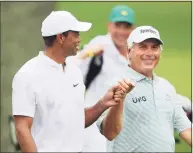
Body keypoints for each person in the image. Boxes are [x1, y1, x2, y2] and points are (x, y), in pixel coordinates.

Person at [11, 10, 134, 152]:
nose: (79, 39)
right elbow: (22, 129)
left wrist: (103, 104)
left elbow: (77, 119)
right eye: (76, 34)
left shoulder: (73, 71)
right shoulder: (28, 74)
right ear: (61, 37)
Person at [96, 25, 192, 152]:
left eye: (155, 47)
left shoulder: (166, 86)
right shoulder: (114, 84)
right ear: (129, 52)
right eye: (142, 47)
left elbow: (185, 129)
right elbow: (109, 133)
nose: (149, 53)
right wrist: (119, 100)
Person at [78, 5, 135, 152]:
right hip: (94, 124)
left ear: (133, 28)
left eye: (126, 26)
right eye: (118, 26)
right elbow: (71, 69)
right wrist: (88, 54)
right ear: (109, 26)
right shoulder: (99, 45)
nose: (122, 31)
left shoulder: (135, 52)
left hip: (122, 125)